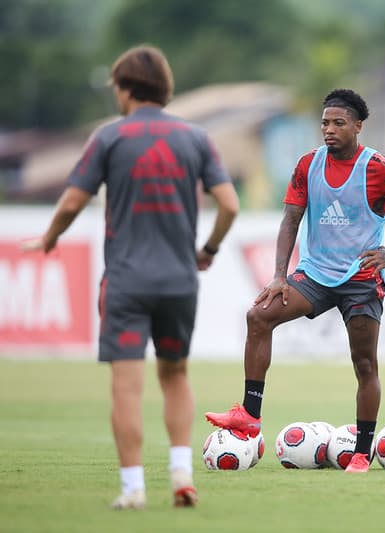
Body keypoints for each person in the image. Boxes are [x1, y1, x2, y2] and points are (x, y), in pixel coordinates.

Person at [21, 45, 240, 508]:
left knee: (127, 384)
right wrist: (210, 249)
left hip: (126, 281)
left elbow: (73, 202)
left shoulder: (109, 138)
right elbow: (230, 204)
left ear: (125, 88)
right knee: (175, 374)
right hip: (180, 280)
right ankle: (182, 474)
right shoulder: (196, 138)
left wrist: (49, 238)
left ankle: (133, 489)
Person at [204, 88, 385, 474]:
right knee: (258, 316)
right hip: (315, 274)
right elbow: (290, 220)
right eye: (325, 123)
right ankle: (250, 414)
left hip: (361, 279)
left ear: (357, 127)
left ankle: (362, 452)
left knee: (364, 365)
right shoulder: (307, 165)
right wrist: (280, 275)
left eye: (338, 123)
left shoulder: (378, 167)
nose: (329, 130)